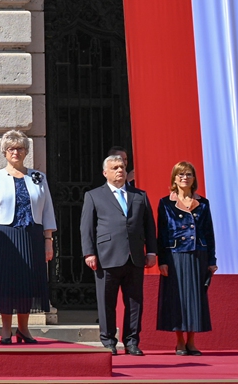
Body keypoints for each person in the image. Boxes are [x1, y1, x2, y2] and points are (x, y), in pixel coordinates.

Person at [0, 130, 55, 345]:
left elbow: (47, 209)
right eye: (11, 148)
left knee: (26, 284)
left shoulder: (38, 177)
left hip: (31, 236)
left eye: (20, 148)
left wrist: (48, 240)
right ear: (4, 152)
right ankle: (5, 330)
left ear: (26, 151)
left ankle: (23, 329)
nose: (16, 152)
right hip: (3, 236)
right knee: (5, 284)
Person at [80, 153, 157, 356]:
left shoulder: (139, 196)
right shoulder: (94, 195)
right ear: (105, 172)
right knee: (107, 302)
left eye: (122, 167)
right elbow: (86, 227)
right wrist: (89, 252)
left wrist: (151, 251)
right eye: (115, 168)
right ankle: (108, 341)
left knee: (135, 301)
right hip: (106, 256)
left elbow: (149, 225)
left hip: (135, 256)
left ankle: (132, 341)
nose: (120, 171)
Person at [156, 161, 216, 355]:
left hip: (199, 254)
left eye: (188, 174)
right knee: (178, 298)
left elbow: (209, 232)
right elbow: (162, 234)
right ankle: (179, 340)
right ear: (174, 178)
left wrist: (212, 260)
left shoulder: (203, 203)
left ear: (194, 178)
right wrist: (162, 260)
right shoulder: (165, 203)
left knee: (195, 298)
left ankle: (192, 341)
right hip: (176, 256)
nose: (184, 177)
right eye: (180, 174)